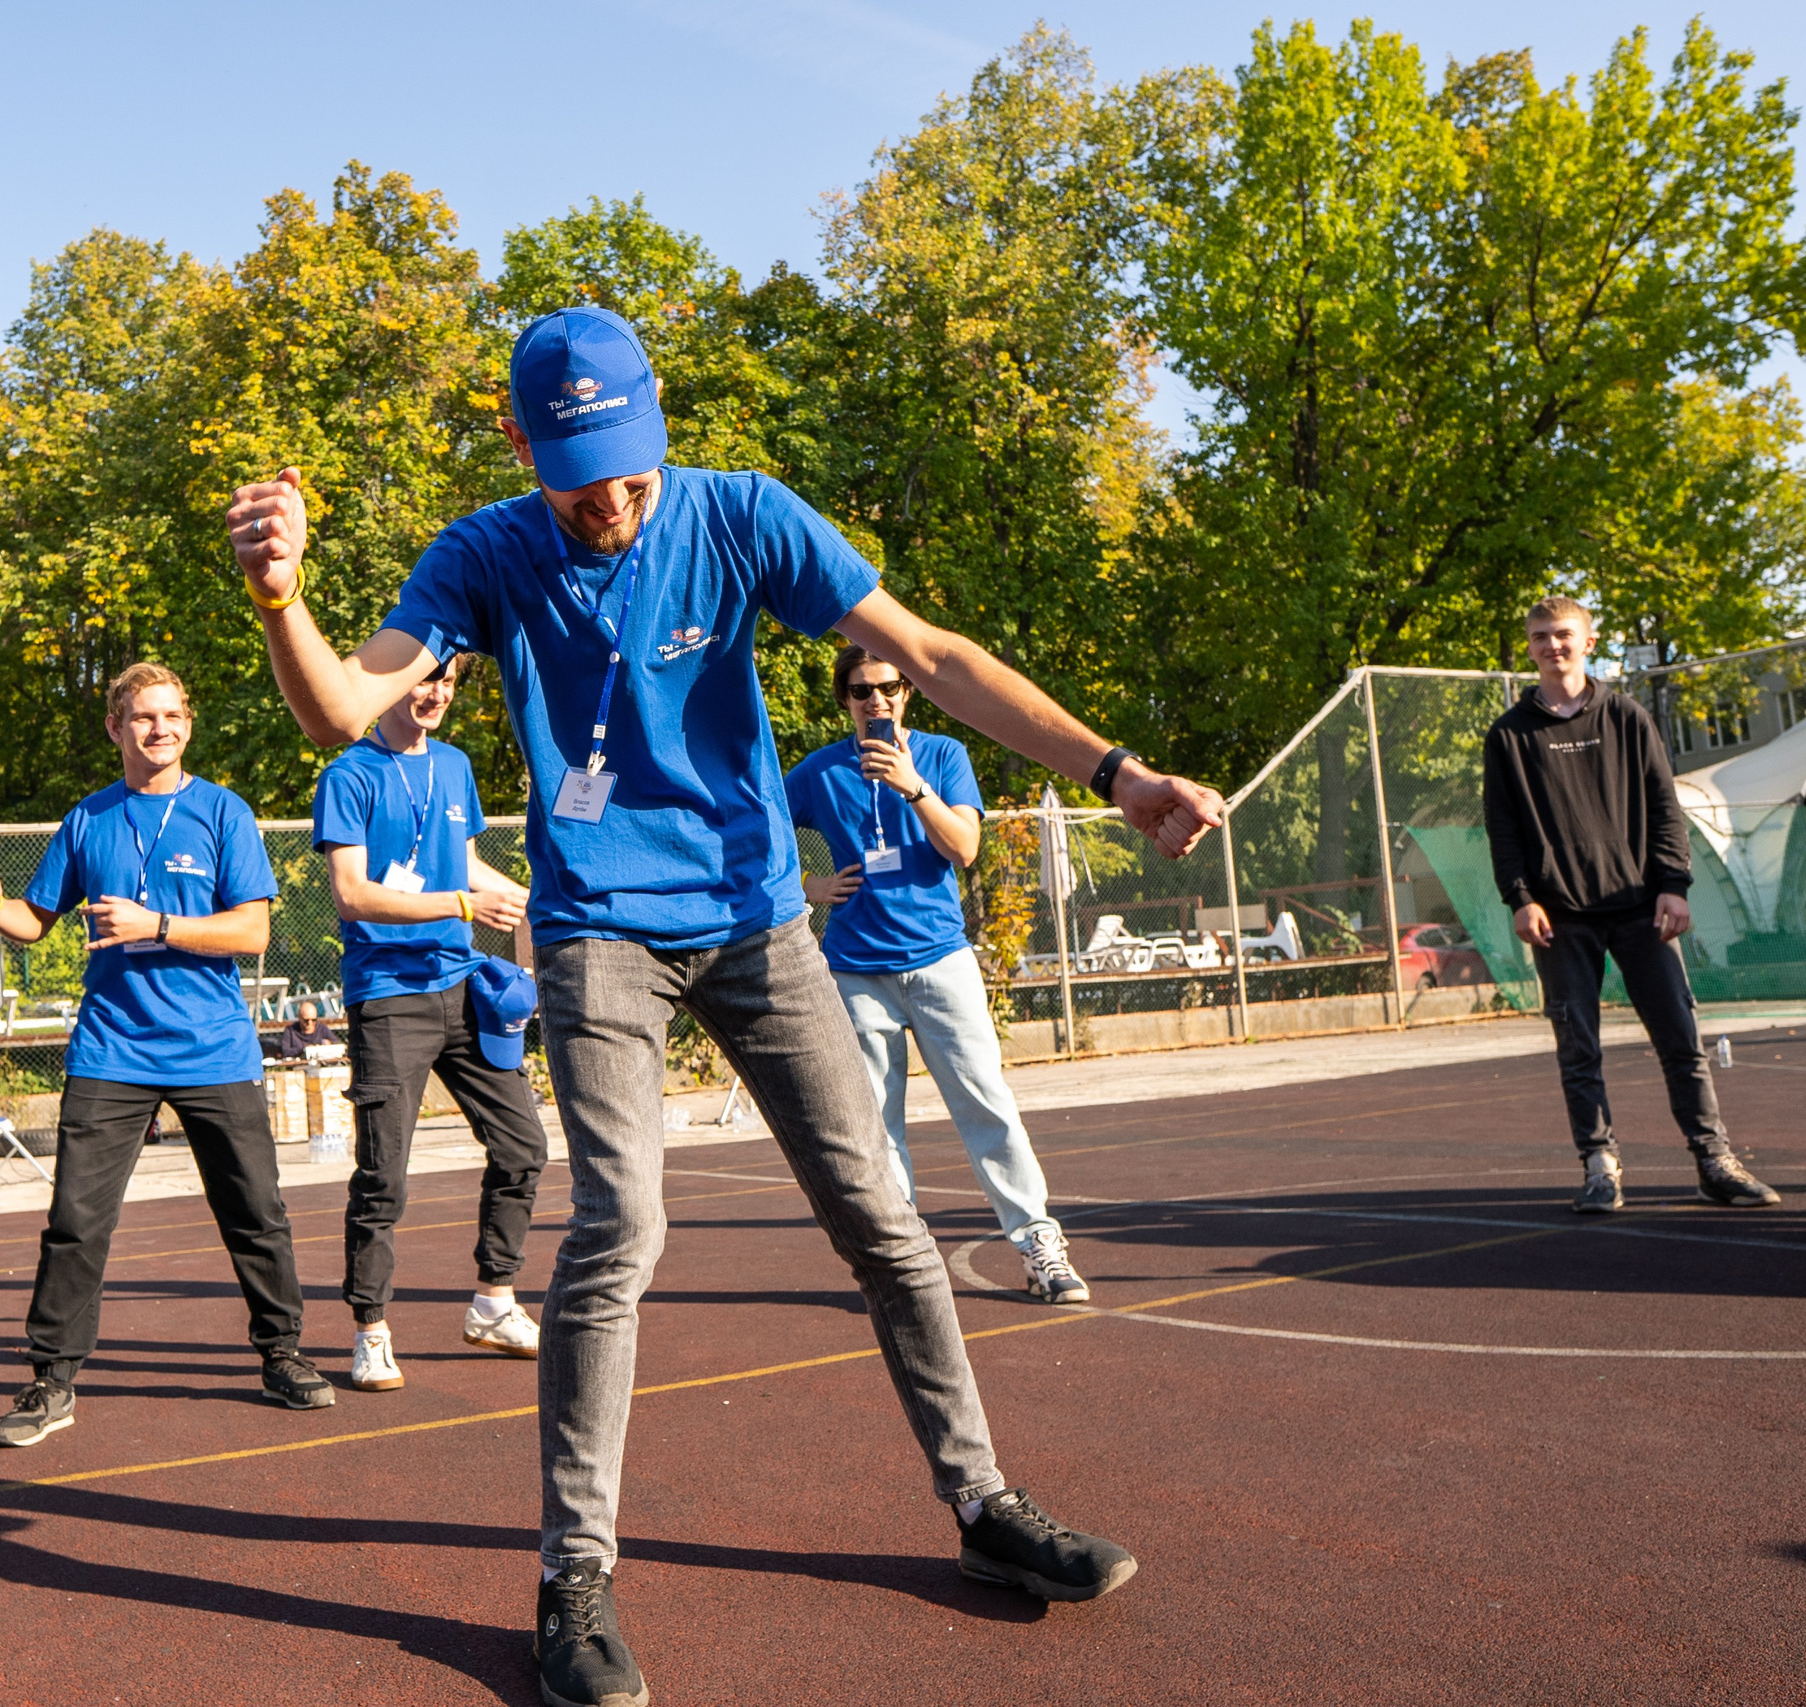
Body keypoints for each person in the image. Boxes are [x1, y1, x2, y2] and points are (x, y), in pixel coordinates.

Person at [229, 305, 1222, 1705]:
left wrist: (1117, 774)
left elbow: (931, 654)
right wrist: (282, 598)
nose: (614, 502)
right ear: (522, 446)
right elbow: (343, 707)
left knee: (882, 1217)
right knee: (620, 1227)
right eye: (582, 478)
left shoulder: (741, 515)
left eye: (633, 469)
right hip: (598, 932)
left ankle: (983, 1502)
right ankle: (573, 1576)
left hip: (758, 922)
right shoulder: (486, 552)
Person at [0, 660, 335, 1449]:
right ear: (115, 728)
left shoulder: (224, 812)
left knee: (255, 1212)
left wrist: (156, 924)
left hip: (213, 1049)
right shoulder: (88, 818)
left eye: (171, 716)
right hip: (112, 1048)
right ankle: (53, 1377)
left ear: (187, 724)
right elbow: (35, 919)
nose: (159, 728)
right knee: (75, 1221)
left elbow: (252, 931)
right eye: (143, 717)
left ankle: (282, 1352)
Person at [790, 645, 1089, 1305]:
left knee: (987, 1105)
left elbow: (965, 847)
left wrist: (912, 785)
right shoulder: (818, 771)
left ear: (907, 693)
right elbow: (755, 835)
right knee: (874, 1130)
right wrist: (809, 886)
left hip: (939, 961)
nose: (877, 701)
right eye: (862, 690)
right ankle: (901, 1269)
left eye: (889, 687)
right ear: (844, 700)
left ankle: (1039, 1245)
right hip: (856, 972)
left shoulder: (943, 756)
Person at [1485, 595, 1779, 1214]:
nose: (1552, 645)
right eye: (1540, 637)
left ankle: (1714, 1162)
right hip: (1560, 916)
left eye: (1563, 634)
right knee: (1579, 1049)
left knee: (1680, 1039)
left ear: (1588, 642)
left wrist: (1674, 883)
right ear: (1530, 647)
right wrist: (1520, 898)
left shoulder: (1626, 717)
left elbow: (1665, 806)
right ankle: (1600, 1167)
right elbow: (1503, 828)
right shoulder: (1509, 735)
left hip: (1641, 907)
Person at [312, 652, 544, 1393]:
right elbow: (353, 894)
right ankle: (370, 1330)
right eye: (424, 678)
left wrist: (535, 901)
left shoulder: (454, 764)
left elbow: (466, 867)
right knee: (384, 1175)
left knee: (523, 1145)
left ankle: (494, 1302)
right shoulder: (348, 774)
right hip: (388, 996)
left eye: (447, 680)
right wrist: (462, 905)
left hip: (464, 986)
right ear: (387, 684)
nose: (438, 692)